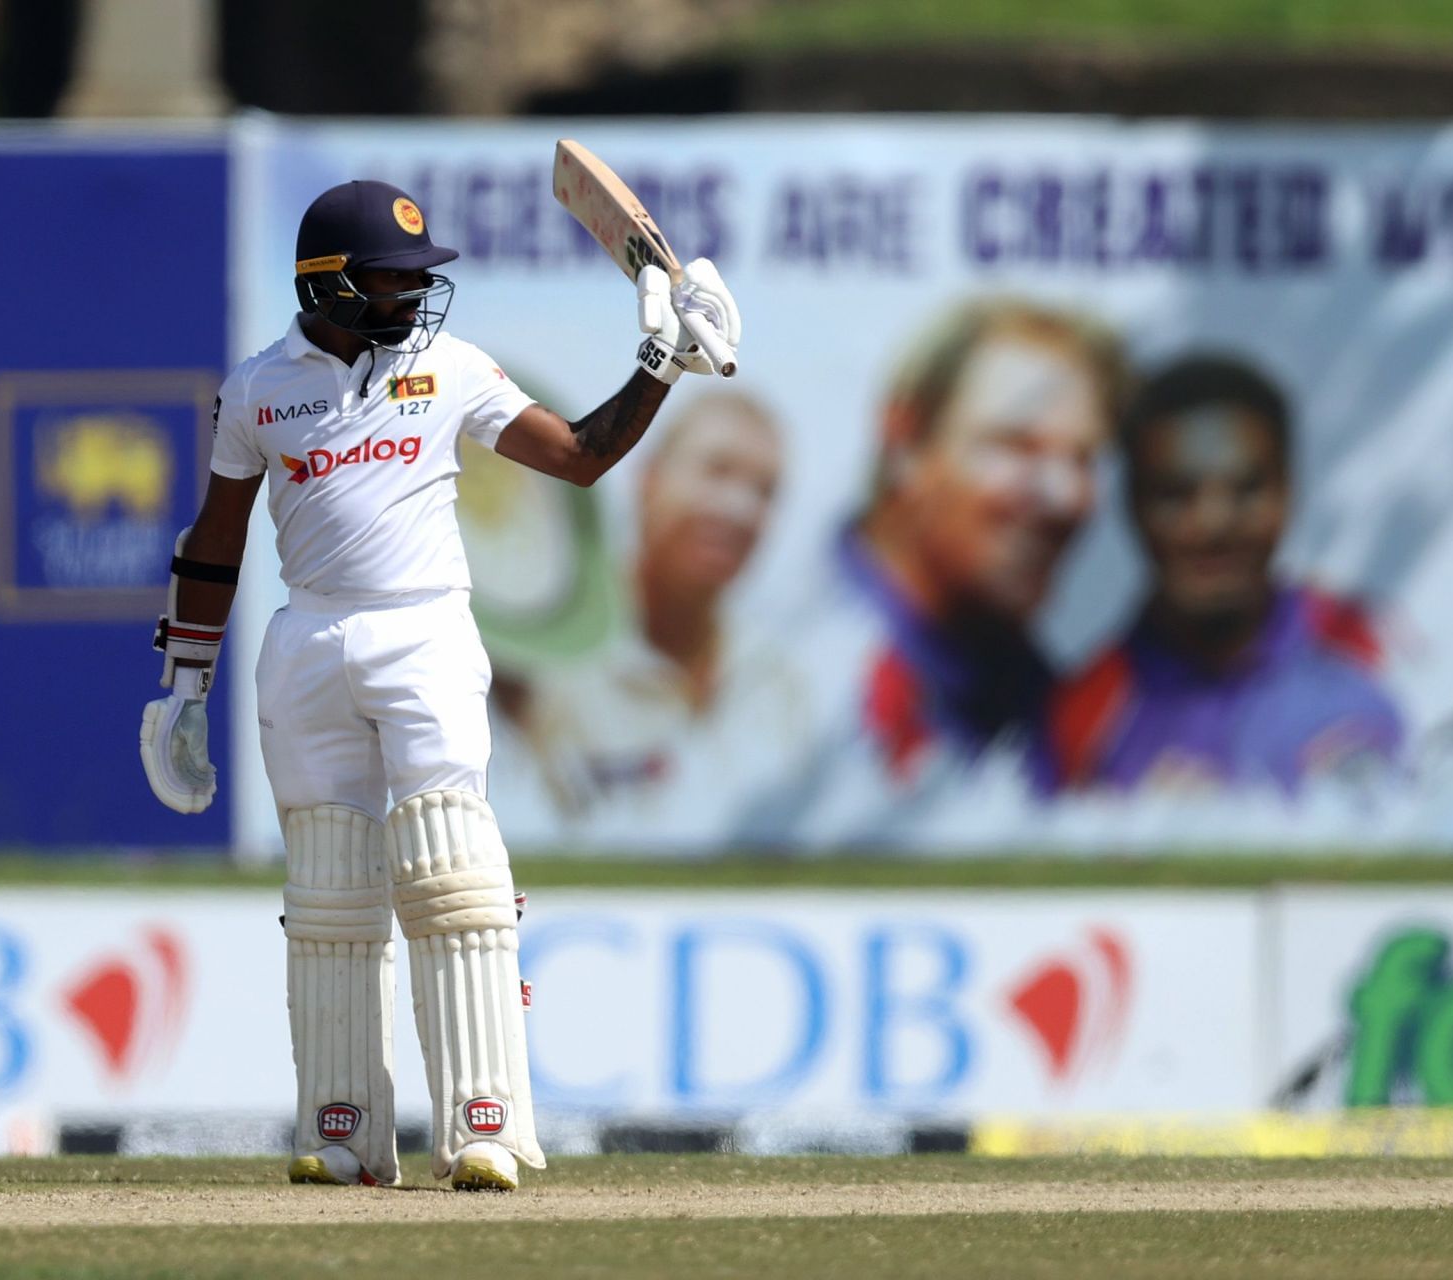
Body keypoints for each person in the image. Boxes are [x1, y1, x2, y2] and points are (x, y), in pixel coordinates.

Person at [135, 179, 739, 1190]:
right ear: (326, 284)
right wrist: (183, 680)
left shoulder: (450, 367)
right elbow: (217, 538)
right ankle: (342, 1132)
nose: (415, 293)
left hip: (425, 631)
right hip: (308, 640)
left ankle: (484, 1124)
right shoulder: (256, 389)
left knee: (450, 867)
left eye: (422, 275)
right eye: (392, 276)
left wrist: (661, 363)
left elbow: (582, 457)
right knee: (328, 889)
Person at [761, 297, 1123, 842]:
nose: (1065, 497)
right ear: (905, 444)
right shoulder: (780, 677)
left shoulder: (1027, 689)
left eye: (1083, 460)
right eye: (1016, 447)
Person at [1053, 355, 1402, 797]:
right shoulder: (1080, 719)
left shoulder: (1376, 662)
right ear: (1132, 506)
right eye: (1176, 495)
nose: (1214, 524)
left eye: (1247, 490)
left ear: (1288, 495)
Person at [502, 391, 809, 843]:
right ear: (648, 478)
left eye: (765, 491)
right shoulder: (539, 658)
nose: (740, 508)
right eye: (717, 471)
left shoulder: (777, 684)